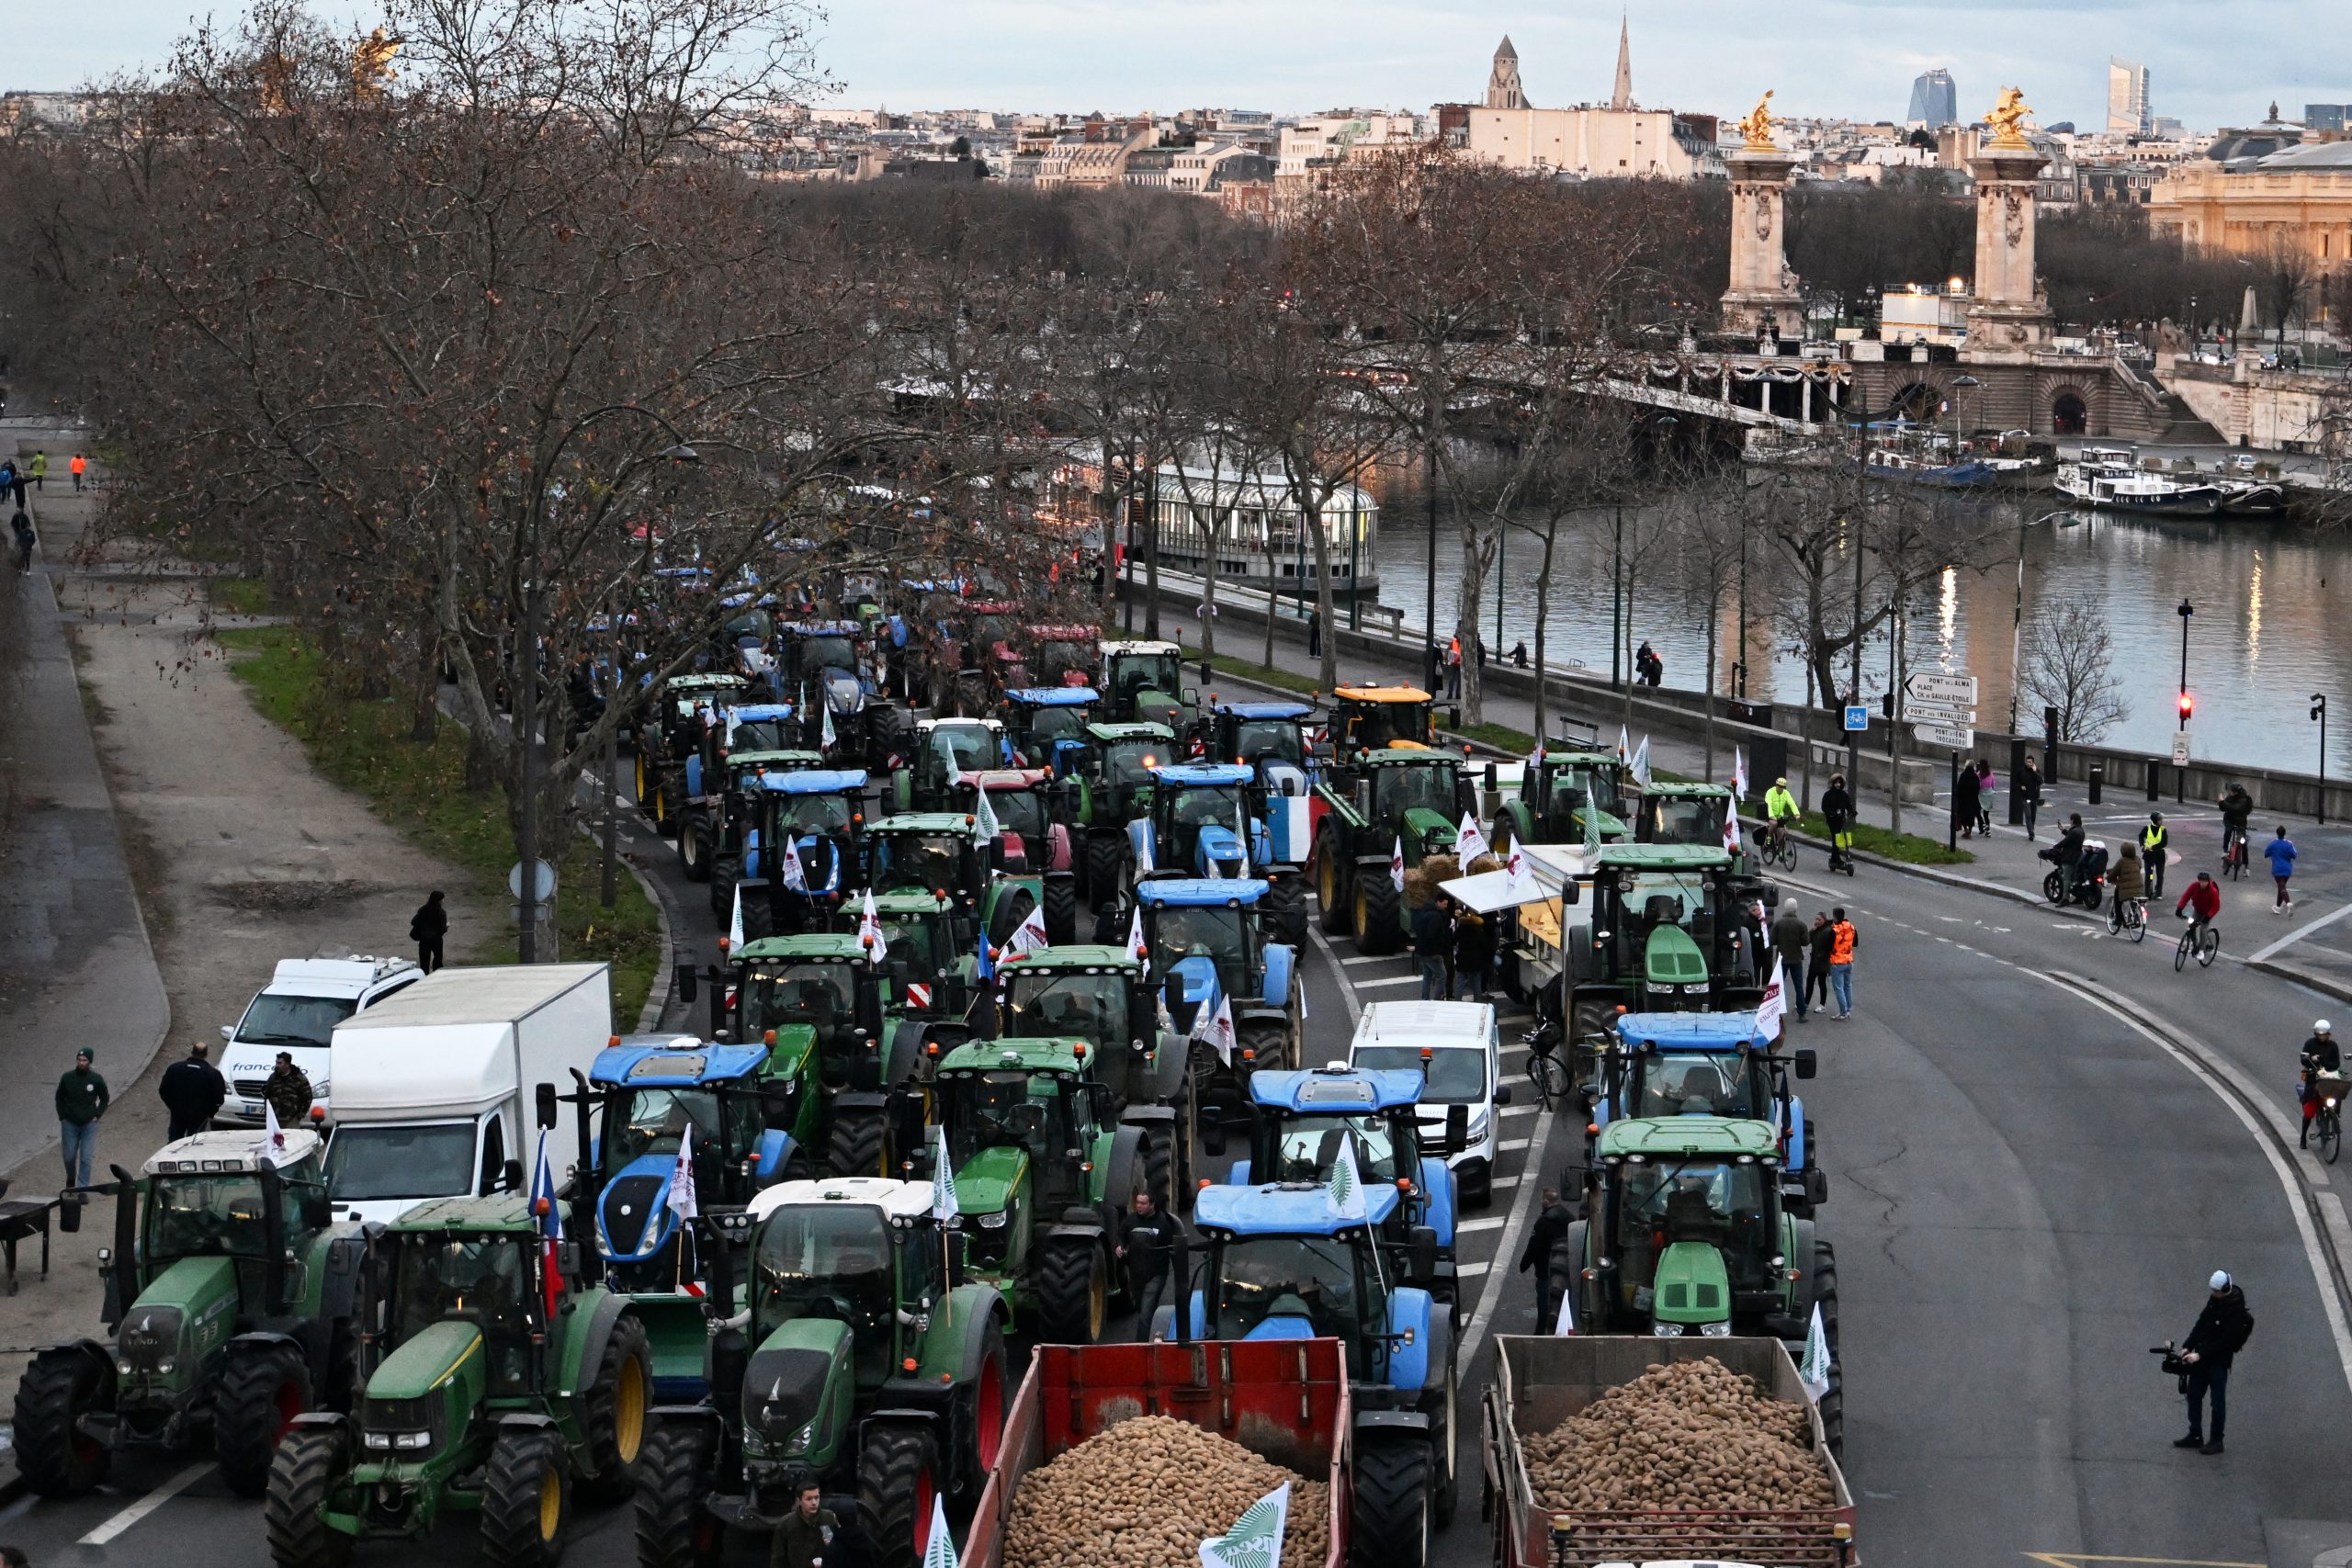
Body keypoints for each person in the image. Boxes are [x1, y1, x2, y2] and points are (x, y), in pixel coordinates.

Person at [2172, 1269, 2252, 1455]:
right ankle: (2195, 1434)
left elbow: (2226, 1342)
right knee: (2193, 1395)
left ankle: (2217, 1440)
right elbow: (2202, 1323)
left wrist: (2199, 1355)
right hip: (2202, 1357)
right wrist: (2188, 1345)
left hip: (2218, 1362)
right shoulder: (2215, 1300)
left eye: (2215, 1291)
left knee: (2217, 1402)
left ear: (2224, 1289)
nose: (2212, 1294)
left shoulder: (2236, 1312)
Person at [1117, 1188, 1182, 1334]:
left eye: (1143, 1203)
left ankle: (1141, 1348)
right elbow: (1122, 1234)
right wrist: (1120, 1246)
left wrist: (1179, 1270)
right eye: (1137, 1203)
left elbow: (1173, 1247)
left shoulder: (1164, 1222)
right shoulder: (1131, 1220)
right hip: (1136, 1274)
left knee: (1145, 1315)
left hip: (1156, 1274)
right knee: (1142, 1309)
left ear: (1152, 1205)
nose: (1139, 1206)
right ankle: (1154, 1331)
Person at [56, 1047, 109, 1191]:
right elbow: (59, 1097)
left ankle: (82, 1188)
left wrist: (97, 1114)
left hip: (88, 1125)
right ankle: (71, 1177)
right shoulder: (67, 1078)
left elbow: (105, 1098)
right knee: (69, 1157)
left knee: (86, 1158)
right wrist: (62, 1116)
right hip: (70, 1123)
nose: (81, 1063)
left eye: (85, 1060)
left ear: (89, 1062)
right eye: (79, 1060)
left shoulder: (96, 1079)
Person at [1517, 1188, 1574, 1316]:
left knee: (1545, 1308)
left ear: (1546, 1201)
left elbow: (1533, 1247)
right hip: (1567, 1271)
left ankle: (1541, 1332)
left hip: (1546, 1271)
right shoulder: (1569, 1217)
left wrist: (1523, 1265)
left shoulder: (1543, 1222)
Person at [159, 1041, 228, 1140]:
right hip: (200, 1115)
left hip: (178, 1112)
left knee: (174, 1139)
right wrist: (209, 1112)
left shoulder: (175, 1069)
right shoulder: (213, 1074)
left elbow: (163, 1090)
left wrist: (173, 1106)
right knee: (193, 1142)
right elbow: (219, 1098)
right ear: (206, 1054)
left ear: (192, 1052)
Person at [769, 1477, 838, 1568]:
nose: (814, 1503)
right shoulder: (786, 1524)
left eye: (816, 1498)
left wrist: (833, 1545)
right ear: (799, 1501)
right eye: (809, 1499)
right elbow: (778, 1559)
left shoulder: (829, 1518)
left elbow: (843, 1550)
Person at [2300, 1021, 2341, 1148]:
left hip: (2328, 1078)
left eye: (2325, 1035)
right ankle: (2303, 1137)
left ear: (2328, 1034)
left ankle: (2335, 1116)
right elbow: (2303, 1060)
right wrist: (2311, 1059)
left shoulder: (2333, 1046)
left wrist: (2324, 1062)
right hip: (2313, 1078)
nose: (2322, 1037)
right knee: (2309, 1109)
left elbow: (2336, 1064)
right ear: (2316, 1033)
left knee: (2337, 1094)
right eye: (2319, 1034)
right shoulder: (2310, 1043)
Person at [1771, 897, 1811, 1022]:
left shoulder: (1778, 923)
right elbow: (1805, 942)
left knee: (1778, 987)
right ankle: (1802, 1013)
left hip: (1782, 959)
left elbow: (1772, 940)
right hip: (1796, 958)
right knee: (1798, 987)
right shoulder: (1801, 924)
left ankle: (1775, 1013)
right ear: (1795, 909)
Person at [1412, 885, 1452, 999]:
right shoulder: (1436, 916)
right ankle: (1437, 999)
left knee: (1427, 975)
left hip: (1422, 951)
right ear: (1438, 902)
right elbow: (1433, 936)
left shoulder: (1425, 912)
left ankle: (1425, 999)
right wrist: (1437, 952)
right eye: (1444, 904)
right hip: (1431, 953)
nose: (1445, 907)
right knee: (1442, 975)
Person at [1453, 899, 1495, 999]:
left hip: (1462, 957)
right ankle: (1477, 1002)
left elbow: (1453, 941)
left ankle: (1457, 1001)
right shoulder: (1479, 929)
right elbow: (1484, 944)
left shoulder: (1461, 929)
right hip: (1476, 958)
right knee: (1476, 982)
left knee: (1460, 981)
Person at [264, 1051, 315, 1125]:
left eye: (280, 1063)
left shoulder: (299, 1078)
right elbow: (267, 1096)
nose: (277, 1065)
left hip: (291, 1120)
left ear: (287, 1064)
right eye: (276, 1062)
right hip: (274, 1119)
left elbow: (308, 1097)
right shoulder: (273, 1077)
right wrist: (267, 1113)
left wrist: (300, 1115)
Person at [2176, 869, 2222, 947]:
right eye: (2201, 881)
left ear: (2208, 882)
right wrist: (2179, 909)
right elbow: (2185, 897)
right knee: (2191, 925)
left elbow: (2216, 907)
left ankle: (2201, 950)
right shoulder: (2194, 886)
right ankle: (2194, 943)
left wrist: (2208, 916)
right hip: (2198, 910)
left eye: (2205, 881)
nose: (2203, 883)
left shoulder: (2213, 891)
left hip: (2208, 912)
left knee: (2203, 929)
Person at [1827, 908, 1858, 1020]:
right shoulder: (1851, 927)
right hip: (1849, 960)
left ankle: (1843, 1012)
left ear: (1835, 916)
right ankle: (1848, 1010)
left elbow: (1828, 947)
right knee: (1848, 986)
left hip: (1837, 962)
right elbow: (1855, 943)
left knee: (1838, 988)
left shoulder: (1834, 930)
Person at [1820, 773, 1854, 871]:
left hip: (1841, 820)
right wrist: (1833, 813)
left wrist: (1852, 811)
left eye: (1839, 783)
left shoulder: (1844, 795)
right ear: (1833, 783)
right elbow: (1824, 807)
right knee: (1836, 840)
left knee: (1841, 840)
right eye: (1836, 783)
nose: (1838, 785)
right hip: (1832, 820)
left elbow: (1848, 805)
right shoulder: (1828, 795)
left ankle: (1834, 859)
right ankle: (1836, 860)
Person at [411, 890, 448, 974]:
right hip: (436, 940)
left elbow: (413, 922)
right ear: (439, 901)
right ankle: (437, 976)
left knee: (424, 963)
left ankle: (424, 978)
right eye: (442, 899)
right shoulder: (441, 913)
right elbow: (442, 929)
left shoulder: (423, 910)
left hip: (424, 940)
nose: (443, 901)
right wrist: (447, 926)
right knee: (438, 960)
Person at [2218, 784, 2254, 869]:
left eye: (2231, 791)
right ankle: (2225, 850)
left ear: (2236, 792)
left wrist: (2223, 802)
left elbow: (2234, 808)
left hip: (2240, 822)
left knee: (2243, 842)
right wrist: (2220, 803)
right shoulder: (2230, 797)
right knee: (2228, 831)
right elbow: (2224, 808)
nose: (2229, 792)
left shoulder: (2244, 799)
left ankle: (2246, 865)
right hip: (2229, 819)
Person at [1762, 776, 1800, 857]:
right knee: (1774, 824)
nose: (1780, 788)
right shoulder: (1770, 792)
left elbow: (1791, 803)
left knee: (1782, 834)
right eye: (1779, 786)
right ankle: (1768, 839)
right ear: (1776, 785)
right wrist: (1772, 816)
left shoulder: (1786, 793)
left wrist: (1796, 813)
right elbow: (1768, 804)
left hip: (1779, 816)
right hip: (1769, 814)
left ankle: (1780, 851)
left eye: (1782, 787)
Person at [2265, 825, 2298, 913]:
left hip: (2277, 868)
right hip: (2287, 869)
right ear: (2284, 833)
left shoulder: (2272, 844)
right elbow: (2294, 855)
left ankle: (2288, 903)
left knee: (2281, 886)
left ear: (2277, 833)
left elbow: (2266, 854)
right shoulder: (2289, 844)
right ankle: (2277, 907)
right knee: (2281, 887)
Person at [2110, 841, 2145, 923]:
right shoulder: (2137, 859)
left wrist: (2108, 879)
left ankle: (2118, 919)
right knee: (2134, 900)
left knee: (2117, 899)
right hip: (2139, 886)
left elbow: (2114, 873)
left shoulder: (2122, 861)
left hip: (2126, 888)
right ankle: (2135, 916)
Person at [1806, 913, 1835, 1012]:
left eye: (1819, 920)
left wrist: (1823, 955)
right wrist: (1812, 930)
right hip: (1814, 961)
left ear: (1824, 920)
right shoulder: (1817, 930)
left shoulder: (1828, 931)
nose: (1817, 922)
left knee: (1822, 983)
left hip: (1822, 962)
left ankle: (1822, 1004)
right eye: (1816, 919)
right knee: (1809, 982)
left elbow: (1830, 947)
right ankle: (1806, 1002)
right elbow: (1807, 940)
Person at [2143, 812, 2171, 900]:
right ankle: (2147, 892)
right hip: (2149, 855)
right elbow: (2140, 836)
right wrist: (2142, 846)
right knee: (2149, 874)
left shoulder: (2163, 829)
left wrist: (2153, 847)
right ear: (2155, 820)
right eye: (2159, 819)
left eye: (2161, 819)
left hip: (2159, 855)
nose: (2161, 821)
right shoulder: (2147, 828)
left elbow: (2164, 842)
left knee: (2160, 874)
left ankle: (2158, 892)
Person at [1953, 761, 1982, 840]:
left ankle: (1965, 829)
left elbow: (1959, 787)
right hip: (1973, 800)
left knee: (1962, 815)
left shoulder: (1963, 775)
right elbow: (1978, 788)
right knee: (1971, 816)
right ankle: (1969, 830)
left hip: (1963, 800)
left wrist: (1957, 797)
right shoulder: (1975, 776)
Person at [1973, 760, 1995, 836]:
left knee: (1977, 812)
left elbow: (1977, 785)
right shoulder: (1991, 774)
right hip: (1989, 795)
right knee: (1986, 814)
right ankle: (1987, 830)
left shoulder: (1979, 775)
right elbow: (1993, 785)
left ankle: (1982, 826)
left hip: (1981, 795)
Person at [10, 508, 32, 575]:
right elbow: (12, 523)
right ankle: (20, 570)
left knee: (27, 559)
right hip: (17, 531)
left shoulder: (25, 517)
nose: (19, 514)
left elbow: (29, 524)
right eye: (18, 513)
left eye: (20, 513)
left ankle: (27, 571)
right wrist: (14, 528)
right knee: (21, 557)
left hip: (26, 544)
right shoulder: (15, 516)